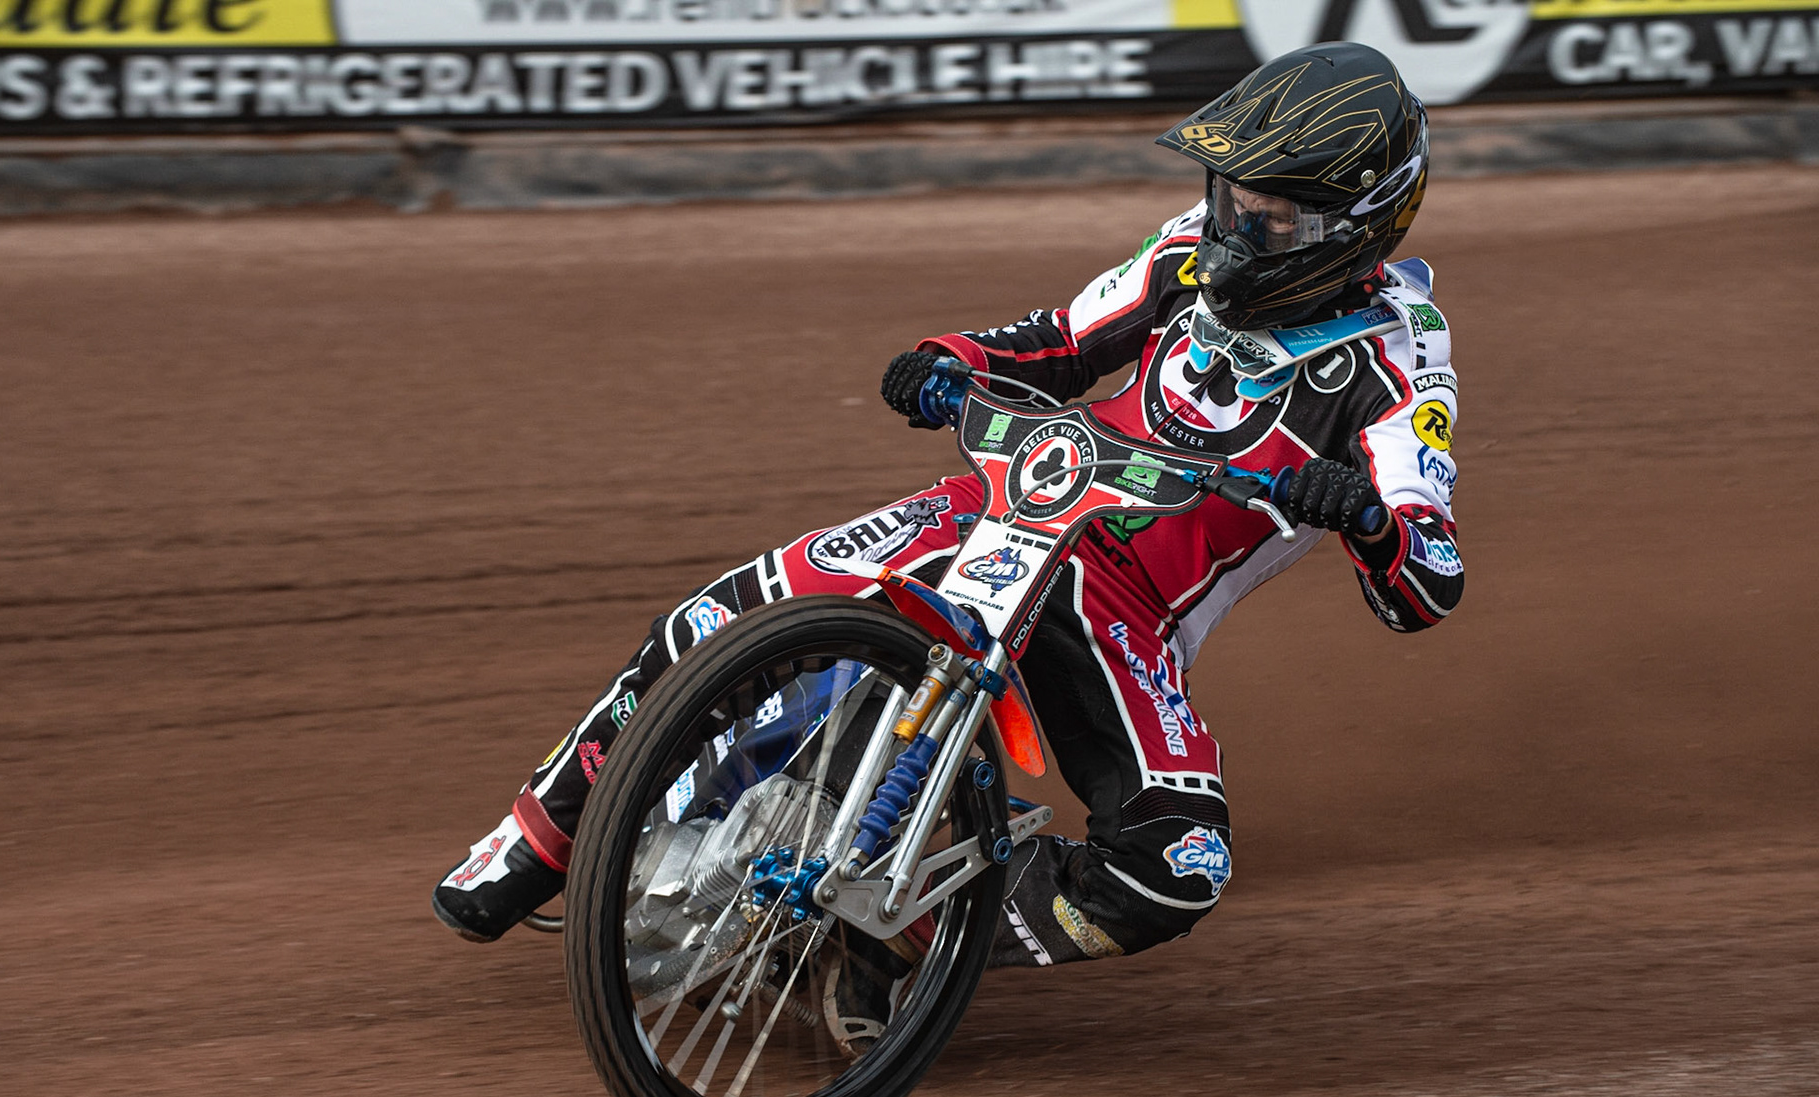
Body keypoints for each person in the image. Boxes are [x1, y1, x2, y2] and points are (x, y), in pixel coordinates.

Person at [432, 41, 1463, 978]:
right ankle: (538, 840)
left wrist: (1367, 521)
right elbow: (1060, 341)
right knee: (721, 616)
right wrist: (949, 360)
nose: (1235, 228)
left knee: (1176, 866)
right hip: (1012, 498)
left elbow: (1428, 584)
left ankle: (904, 946)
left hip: (1126, 608)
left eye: (1270, 217)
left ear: (1353, 229)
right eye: (1231, 197)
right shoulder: (1193, 248)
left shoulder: (1398, 363)